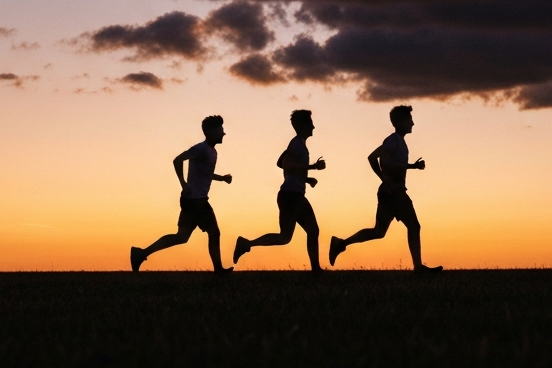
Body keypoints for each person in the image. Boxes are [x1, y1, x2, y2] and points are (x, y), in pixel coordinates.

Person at [329, 104, 441, 272]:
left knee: (379, 231)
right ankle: (418, 267)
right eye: (409, 120)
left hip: (389, 192)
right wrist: (388, 177)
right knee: (414, 225)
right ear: (400, 122)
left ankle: (341, 243)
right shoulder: (392, 141)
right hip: (394, 192)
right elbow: (381, 161)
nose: (412, 123)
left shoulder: (397, 141)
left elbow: (379, 159)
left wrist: (411, 167)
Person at [130, 114, 234, 273]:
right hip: (196, 201)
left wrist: (222, 179)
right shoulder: (200, 149)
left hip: (193, 200)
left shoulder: (211, 152)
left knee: (181, 237)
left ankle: (141, 253)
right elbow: (177, 160)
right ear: (211, 131)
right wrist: (183, 183)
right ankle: (218, 270)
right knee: (214, 232)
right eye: (221, 129)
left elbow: (205, 173)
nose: (224, 133)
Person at [233, 110, 326, 272]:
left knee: (311, 230)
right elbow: (287, 164)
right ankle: (246, 243)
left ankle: (316, 269)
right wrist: (313, 167)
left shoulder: (297, 144)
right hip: (290, 196)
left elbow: (280, 162)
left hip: (295, 195)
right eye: (310, 123)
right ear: (303, 126)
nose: (313, 126)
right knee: (285, 237)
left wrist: (305, 178)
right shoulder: (296, 143)